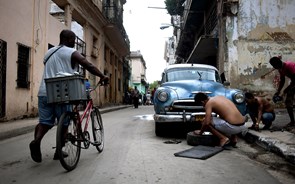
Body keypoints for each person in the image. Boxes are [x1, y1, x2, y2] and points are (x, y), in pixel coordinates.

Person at [29, 29, 109, 163]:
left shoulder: (49, 52)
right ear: (67, 39)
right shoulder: (70, 52)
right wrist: (102, 75)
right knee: (64, 122)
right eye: (73, 39)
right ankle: (59, 150)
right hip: (62, 93)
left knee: (44, 122)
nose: (74, 42)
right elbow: (87, 64)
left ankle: (36, 141)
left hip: (44, 91)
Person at [269, 56, 295, 127]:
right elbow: (282, 80)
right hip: (293, 84)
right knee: (288, 102)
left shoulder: (289, 65)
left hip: (293, 83)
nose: (274, 67)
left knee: (289, 100)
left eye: (274, 66)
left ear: (278, 63)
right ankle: (292, 122)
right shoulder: (281, 69)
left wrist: (286, 90)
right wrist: (278, 91)